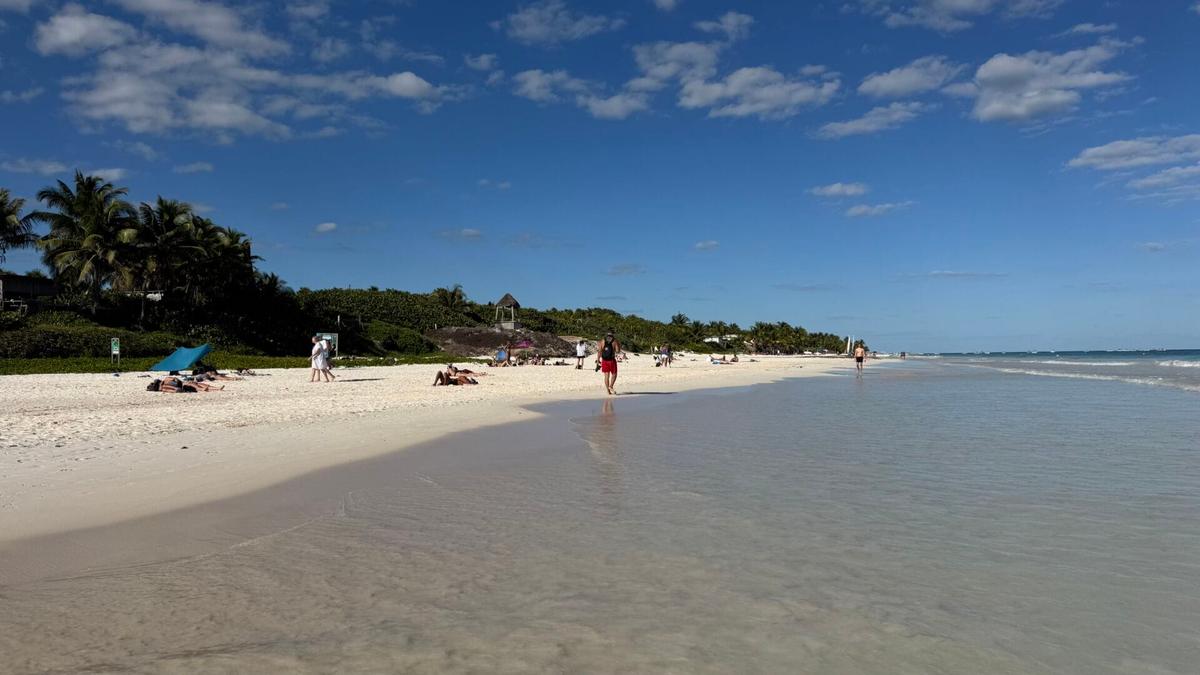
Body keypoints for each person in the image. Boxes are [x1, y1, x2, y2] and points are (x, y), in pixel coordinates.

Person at [596, 330, 621, 395]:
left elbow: (599, 351)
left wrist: (598, 361)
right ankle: (611, 386)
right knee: (614, 374)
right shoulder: (614, 341)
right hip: (611, 361)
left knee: (606, 375)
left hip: (604, 361)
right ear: (612, 334)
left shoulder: (602, 341)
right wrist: (618, 344)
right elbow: (618, 351)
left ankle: (608, 390)